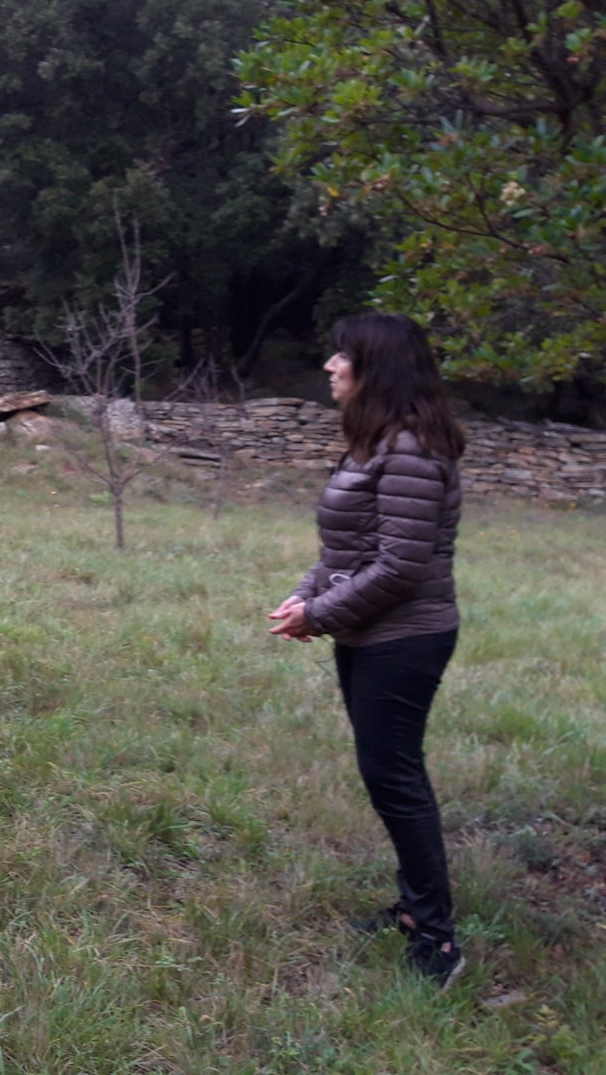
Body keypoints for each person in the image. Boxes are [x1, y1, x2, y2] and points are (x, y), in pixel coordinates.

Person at [267, 312, 467, 988]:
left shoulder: (409, 449)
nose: (328, 364)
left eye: (341, 355)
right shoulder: (376, 443)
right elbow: (346, 549)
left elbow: (401, 567)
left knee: (396, 781)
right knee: (388, 776)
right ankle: (414, 909)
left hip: (405, 638)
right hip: (369, 632)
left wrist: (318, 614)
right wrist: (305, 598)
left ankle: (436, 937)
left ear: (373, 368)